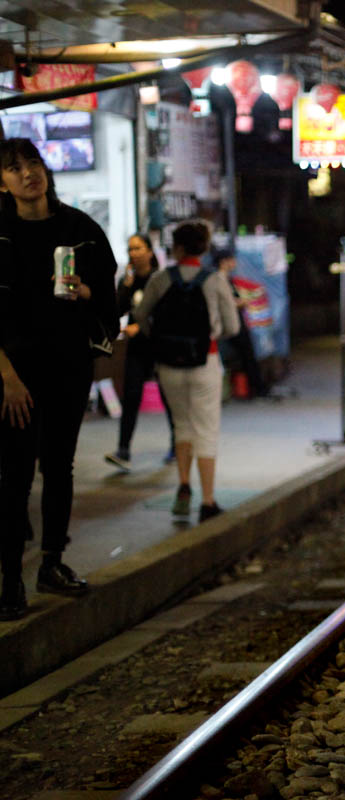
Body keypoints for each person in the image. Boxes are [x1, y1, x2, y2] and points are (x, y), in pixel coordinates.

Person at [0, 137, 118, 620]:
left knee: (59, 467)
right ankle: (10, 581)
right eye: (14, 167)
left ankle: (52, 563)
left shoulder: (81, 229)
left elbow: (108, 296)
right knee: (13, 476)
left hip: (68, 366)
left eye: (33, 163)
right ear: (1, 182)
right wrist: (6, 375)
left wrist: (86, 290)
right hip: (15, 376)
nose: (29, 173)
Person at [132, 221, 239, 523]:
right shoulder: (215, 280)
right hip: (206, 361)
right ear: (204, 247)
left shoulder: (160, 278)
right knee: (206, 429)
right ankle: (207, 501)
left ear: (176, 248)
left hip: (169, 365)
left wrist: (162, 340)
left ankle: (182, 487)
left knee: (181, 426)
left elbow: (140, 315)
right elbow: (232, 327)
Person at [105, 233, 175, 471]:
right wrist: (124, 287)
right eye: (130, 249)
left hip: (159, 346)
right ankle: (123, 450)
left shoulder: (160, 279)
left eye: (138, 248)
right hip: (136, 348)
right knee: (131, 396)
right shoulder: (128, 279)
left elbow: (165, 314)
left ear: (149, 251)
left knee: (169, 397)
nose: (133, 253)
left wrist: (141, 327)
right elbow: (117, 310)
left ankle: (177, 445)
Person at [213, 248, 267, 399]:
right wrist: (240, 303)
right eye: (231, 259)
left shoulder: (226, 278)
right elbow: (222, 303)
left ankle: (254, 387)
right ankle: (256, 388)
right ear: (224, 262)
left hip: (235, 323)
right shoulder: (218, 279)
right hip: (229, 325)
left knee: (248, 355)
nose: (234, 263)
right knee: (247, 355)